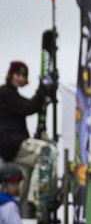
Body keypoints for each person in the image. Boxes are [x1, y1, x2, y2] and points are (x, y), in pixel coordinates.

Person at [0, 61, 55, 215]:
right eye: (17, 74)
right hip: (12, 143)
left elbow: (31, 106)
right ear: (11, 75)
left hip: (10, 147)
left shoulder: (10, 94)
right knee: (47, 152)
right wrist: (43, 87)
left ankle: (22, 214)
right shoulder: (5, 93)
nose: (20, 78)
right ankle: (36, 199)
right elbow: (30, 107)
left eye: (23, 76)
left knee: (24, 178)